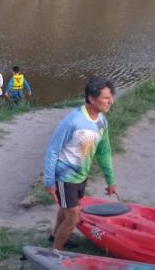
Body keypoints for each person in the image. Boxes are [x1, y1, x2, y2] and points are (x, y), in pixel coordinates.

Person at [43, 77, 119, 251]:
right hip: (65, 176)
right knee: (73, 217)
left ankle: (55, 234)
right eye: (106, 98)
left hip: (81, 176)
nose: (111, 101)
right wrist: (49, 180)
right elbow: (52, 150)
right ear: (92, 99)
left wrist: (111, 180)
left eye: (111, 97)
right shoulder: (73, 121)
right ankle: (55, 253)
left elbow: (104, 151)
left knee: (66, 208)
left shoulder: (101, 121)